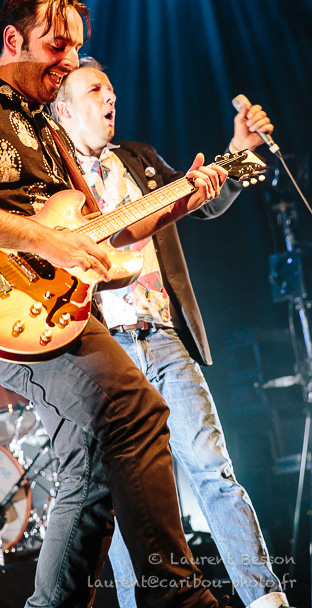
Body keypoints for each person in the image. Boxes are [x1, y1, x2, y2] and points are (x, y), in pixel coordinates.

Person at [0, 0, 231, 608]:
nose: (70, 61)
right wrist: (45, 242)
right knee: (137, 411)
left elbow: (99, 229)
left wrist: (181, 201)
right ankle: (182, 598)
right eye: (57, 46)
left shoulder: (50, 130)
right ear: (13, 40)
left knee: (89, 478)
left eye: (77, 48)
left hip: (61, 303)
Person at [51, 58, 288, 608]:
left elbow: (202, 202)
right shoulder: (51, 181)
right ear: (63, 110)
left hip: (162, 335)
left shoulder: (137, 158)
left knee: (213, 468)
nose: (110, 97)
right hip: (101, 349)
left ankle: (264, 598)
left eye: (112, 89)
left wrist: (238, 151)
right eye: (95, 90)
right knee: (121, 497)